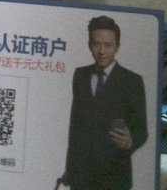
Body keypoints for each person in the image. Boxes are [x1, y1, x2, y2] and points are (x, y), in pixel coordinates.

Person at [57, 16, 148, 190]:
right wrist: (70, 169)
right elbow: (75, 127)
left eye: (108, 45)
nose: (101, 51)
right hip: (81, 176)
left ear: (117, 47)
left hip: (114, 175)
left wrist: (130, 141)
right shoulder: (80, 75)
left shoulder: (132, 81)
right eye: (96, 44)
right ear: (89, 45)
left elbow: (142, 129)